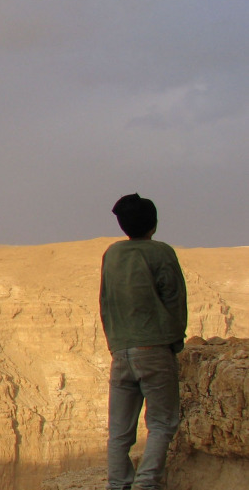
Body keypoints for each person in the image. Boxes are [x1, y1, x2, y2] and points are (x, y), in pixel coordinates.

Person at [99, 193, 188, 490]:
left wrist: (115, 343)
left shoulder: (112, 254)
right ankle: (146, 484)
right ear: (154, 224)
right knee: (162, 423)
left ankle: (117, 485)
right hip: (155, 349)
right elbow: (174, 299)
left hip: (121, 352)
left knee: (119, 432)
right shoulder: (161, 252)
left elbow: (105, 302)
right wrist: (175, 341)